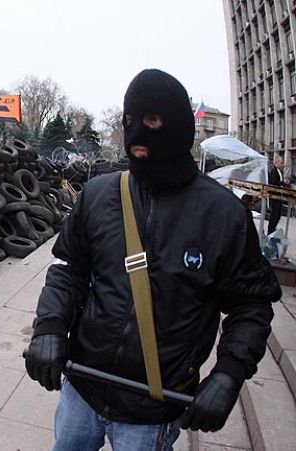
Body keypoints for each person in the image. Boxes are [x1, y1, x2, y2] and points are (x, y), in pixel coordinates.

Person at [23, 69, 281, 451]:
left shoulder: (223, 215)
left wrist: (229, 373)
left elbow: (251, 306)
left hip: (153, 407)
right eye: (129, 122)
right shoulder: (98, 194)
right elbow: (68, 270)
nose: (138, 135)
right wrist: (50, 325)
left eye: (152, 121)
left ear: (177, 125)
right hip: (83, 389)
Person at [267, 155, 290, 234]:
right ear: (277, 163)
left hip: (279, 196)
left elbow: (280, 183)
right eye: (281, 163)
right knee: (274, 215)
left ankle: (272, 231)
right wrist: (283, 182)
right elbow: (274, 183)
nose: (283, 165)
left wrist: (286, 183)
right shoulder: (274, 171)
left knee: (278, 215)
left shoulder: (280, 172)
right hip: (275, 196)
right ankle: (270, 232)